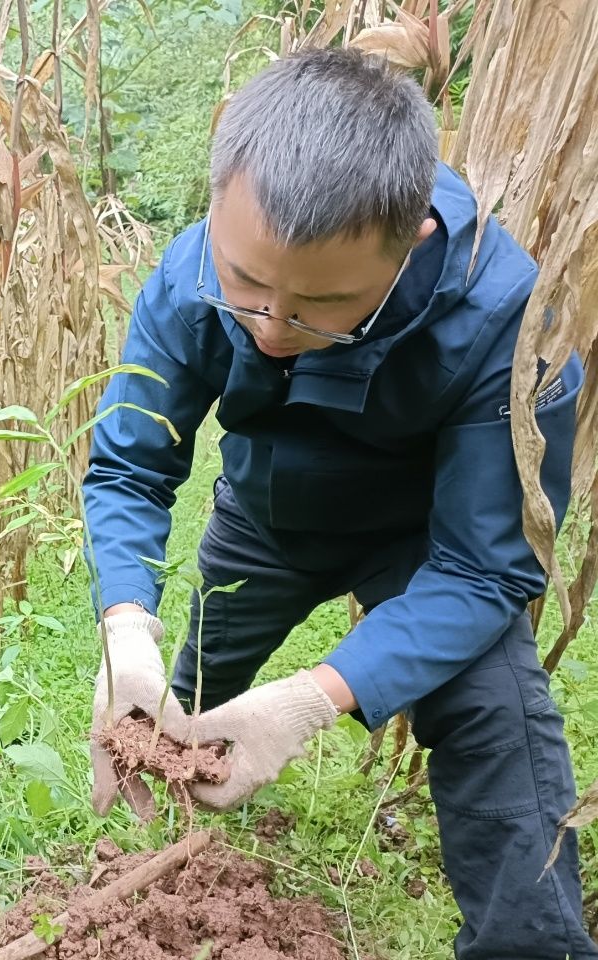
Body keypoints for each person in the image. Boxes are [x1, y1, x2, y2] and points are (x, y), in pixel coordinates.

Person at [83, 48, 596, 959]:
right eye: (245, 286)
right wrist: (126, 624)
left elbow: (485, 569)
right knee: (177, 710)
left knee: (494, 710)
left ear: (413, 242)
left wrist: (314, 700)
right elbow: (130, 467)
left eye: (319, 305)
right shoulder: (193, 270)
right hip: (263, 523)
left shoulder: (512, 323)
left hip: (424, 546)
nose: (270, 328)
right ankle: (154, 876)